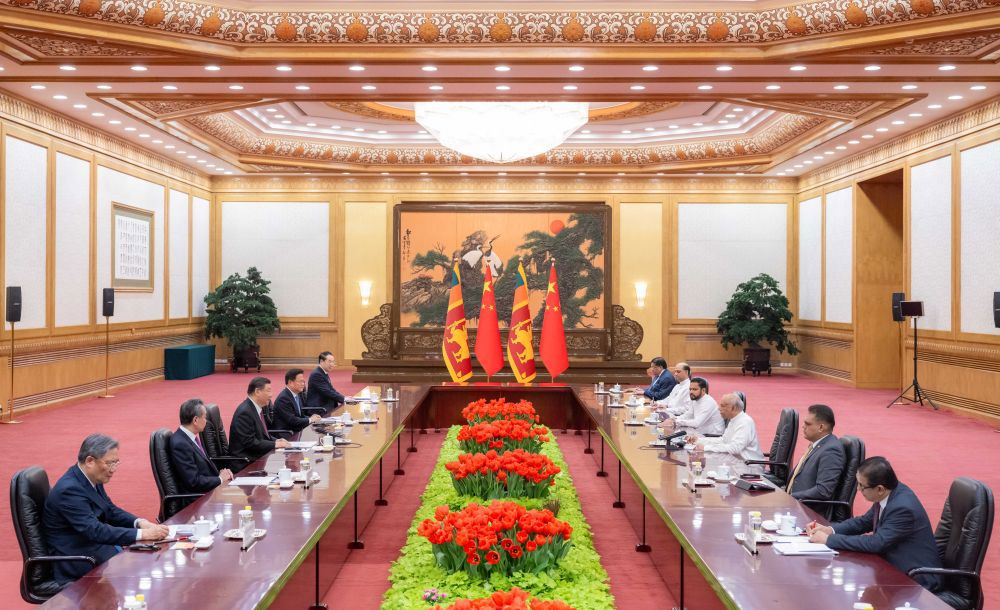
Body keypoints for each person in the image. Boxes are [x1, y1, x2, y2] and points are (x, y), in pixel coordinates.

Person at [43, 434, 169, 585]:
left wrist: (140, 523)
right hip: (80, 560)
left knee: (150, 562)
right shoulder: (69, 490)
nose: (113, 469)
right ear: (90, 461)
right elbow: (94, 530)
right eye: (109, 463)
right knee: (143, 574)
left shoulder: (91, 477)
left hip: (97, 548)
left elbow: (110, 510)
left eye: (116, 462)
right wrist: (143, 534)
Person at [807, 457, 942, 593]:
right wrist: (830, 530)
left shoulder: (902, 508)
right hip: (892, 566)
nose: (858, 489)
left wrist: (829, 540)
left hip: (917, 579)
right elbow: (864, 522)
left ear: (880, 489)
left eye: (862, 486)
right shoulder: (890, 493)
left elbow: (877, 543)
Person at [169, 398, 234, 493]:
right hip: (199, 497)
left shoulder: (190, 437)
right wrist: (220, 479)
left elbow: (203, 468)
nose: (206, 421)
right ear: (195, 420)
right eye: (204, 417)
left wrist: (221, 474)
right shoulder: (180, 444)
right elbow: (193, 482)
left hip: (209, 490)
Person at [787, 404, 845, 501]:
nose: (803, 426)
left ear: (821, 427)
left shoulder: (831, 451)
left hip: (806, 507)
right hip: (795, 501)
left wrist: (791, 497)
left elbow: (823, 491)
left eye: (808, 424)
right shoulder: (817, 445)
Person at [687, 392, 764, 461]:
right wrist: (699, 440)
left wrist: (705, 448)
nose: (719, 408)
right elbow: (724, 440)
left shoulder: (744, 422)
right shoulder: (734, 419)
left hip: (749, 466)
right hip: (736, 462)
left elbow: (735, 448)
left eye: (723, 406)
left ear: (733, 408)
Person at [229, 377, 291, 461]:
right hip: (246, 461)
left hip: (257, 456)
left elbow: (261, 436)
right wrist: (274, 444)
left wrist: (277, 441)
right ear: (257, 391)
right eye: (268, 391)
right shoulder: (245, 413)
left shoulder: (256, 408)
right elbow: (250, 442)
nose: (271, 395)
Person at [273, 368, 322, 433]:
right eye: (300, 381)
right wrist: (310, 419)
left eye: (303, 382)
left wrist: (311, 417)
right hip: (287, 433)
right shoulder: (283, 399)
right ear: (290, 382)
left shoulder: (296, 394)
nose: (303, 384)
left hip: (297, 429)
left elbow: (300, 416)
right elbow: (292, 420)